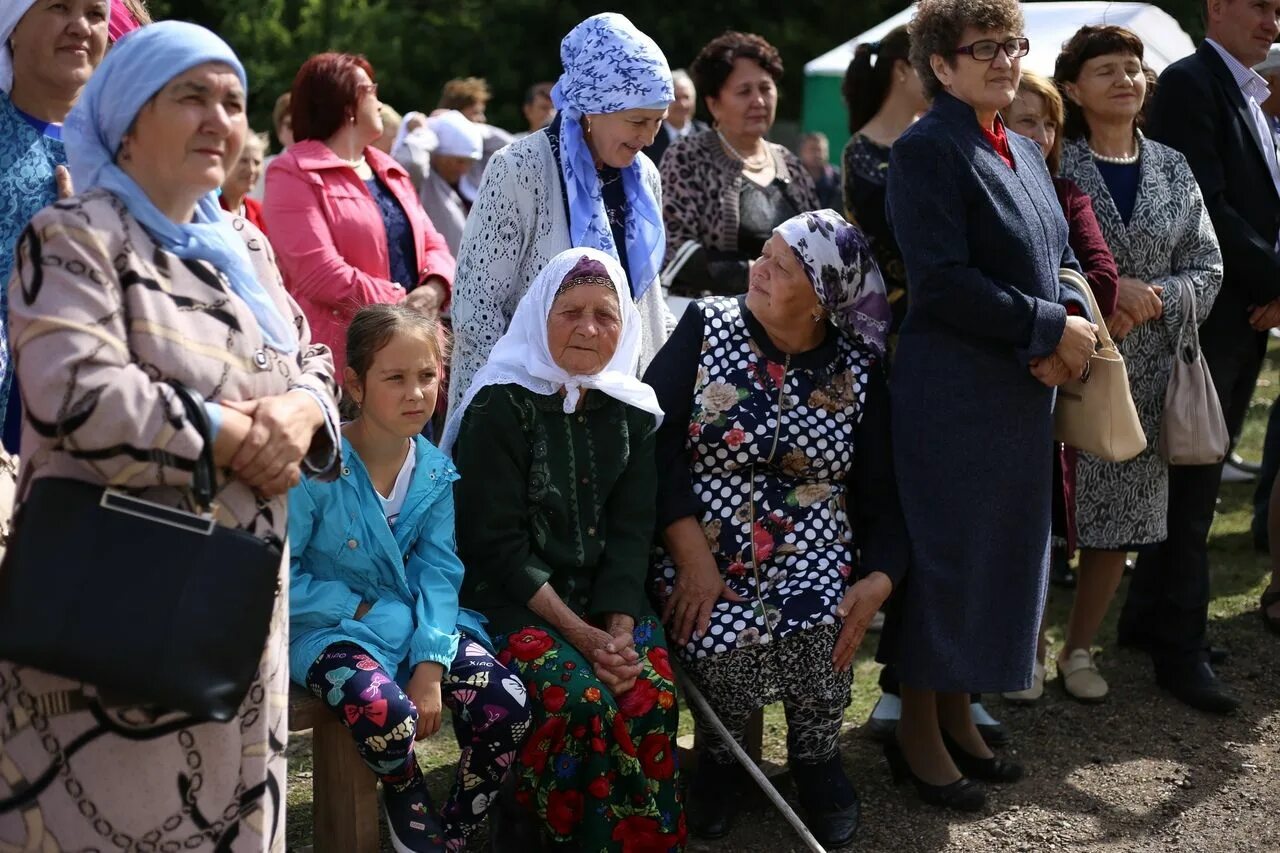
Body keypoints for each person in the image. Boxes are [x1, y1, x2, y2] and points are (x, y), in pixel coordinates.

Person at [0, 22, 340, 847]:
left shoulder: (246, 246)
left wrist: (302, 415)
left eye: (233, 101)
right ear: (126, 116)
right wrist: (231, 435)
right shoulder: (75, 235)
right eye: (191, 96)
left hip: (235, 622)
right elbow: (79, 391)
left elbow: (313, 359)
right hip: (110, 637)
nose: (219, 119)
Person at [883, 0, 1096, 811]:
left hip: (1020, 388)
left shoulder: (1014, 141)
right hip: (954, 394)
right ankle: (916, 735)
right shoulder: (928, 149)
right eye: (986, 48)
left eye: (1013, 45)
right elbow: (939, 283)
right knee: (949, 564)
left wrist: (1070, 318)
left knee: (996, 561)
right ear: (941, 65)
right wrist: (1048, 325)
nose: (1007, 60)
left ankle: (956, 717)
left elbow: (1058, 253)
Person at [646, 210, 903, 847]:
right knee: (719, 636)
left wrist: (880, 578)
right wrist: (691, 556)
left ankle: (818, 760)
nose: (757, 269)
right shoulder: (708, 326)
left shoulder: (858, 368)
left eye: (781, 266)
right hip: (699, 539)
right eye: (764, 253)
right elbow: (650, 442)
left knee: (824, 630)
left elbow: (881, 490)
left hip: (814, 544)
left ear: (820, 300)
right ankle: (721, 761)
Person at [447, 248, 684, 852]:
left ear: (625, 325)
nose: (588, 328)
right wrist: (583, 636)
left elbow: (634, 532)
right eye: (570, 311)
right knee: (576, 702)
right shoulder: (501, 404)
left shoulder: (632, 411)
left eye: (606, 315)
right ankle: (535, 832)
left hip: (607, 603)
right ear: (539, 315)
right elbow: (494, 545)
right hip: (510, 602)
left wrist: (620, 627)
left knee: (648, 690)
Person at [289, 304, 529, 852]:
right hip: (327, 630)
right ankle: (406, 791)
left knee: (507, 700)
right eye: (394, 378)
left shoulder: (435, 472)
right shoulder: (315, 466)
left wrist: (428, 665)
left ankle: (456, 833)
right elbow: (283, 573)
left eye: (427, 376)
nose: (415, 394)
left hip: (418, 623)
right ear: (354, 383)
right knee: (384, 711)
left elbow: (441, 573)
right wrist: (360, 610)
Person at [1055, 26, 1224, 705]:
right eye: (1106, 70)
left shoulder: (1175, 168)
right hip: (1064, 359)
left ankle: (1078, 648)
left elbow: (1207, 268)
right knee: (1045, 513)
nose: (1126, 79)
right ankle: (1012, 652)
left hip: (1149, 369)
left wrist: (1152, 300)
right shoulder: (1054, 164)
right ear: (1073, 88)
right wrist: (1102, 293)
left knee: (1120, 518)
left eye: (1134, 68)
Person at [1134, 0, 1280, 711]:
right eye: (1261, 6)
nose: (1274, 21)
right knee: (1193, 486)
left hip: (1236, 314)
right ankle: (1178, 651)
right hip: (1205, 319)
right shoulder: (1195, 85)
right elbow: (1209, 210)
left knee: (1193, 475)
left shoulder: (1245, 93)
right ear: (1217, 7)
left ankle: (1146, 621)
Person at [448, 13, 674, 413]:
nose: (649, 137)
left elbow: (645, 301)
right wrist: (506, 402)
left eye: (658, 121)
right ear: (592, 108)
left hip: (613, 402)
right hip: (525, 405)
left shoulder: (643, 176)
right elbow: (476, 307)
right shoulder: (519, 168)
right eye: (637, 120)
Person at [997, 68, 1123, 703]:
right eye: (1026, 120)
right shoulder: (985, 182)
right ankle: (1023, 647)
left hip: (1065, 378)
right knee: (1012, 524)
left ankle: (1059, 644)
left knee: (1059, 520)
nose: (1040, 133)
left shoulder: (1068, 193)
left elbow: (1098, 271)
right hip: (999, 376)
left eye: (1048, 122)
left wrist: (1061, 337)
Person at [264, 52, 456, 378]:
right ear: (345, 103)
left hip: (418, 359)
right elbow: (318, 272)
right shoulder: (291, 171)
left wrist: (435, 289)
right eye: (372, 91)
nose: (380, 104)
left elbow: (435, 245)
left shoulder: (389, 169)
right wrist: (402, 303)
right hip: (347, 364)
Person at [0, 0, 110, 452]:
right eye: (60, 6)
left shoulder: (132, 152)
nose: (80, 27)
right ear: (12, 28)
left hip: (93, 429)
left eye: (95, 14)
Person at [662, 31, 820, 298]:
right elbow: (673, 251)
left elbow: (818, 247)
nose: (758, 101)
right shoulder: (687, 157)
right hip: (715, 326)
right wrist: (757, 274)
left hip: (792, 326)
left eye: (765, 88)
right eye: (744, 91)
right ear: (713, 104)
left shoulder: (790, 165)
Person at [840, 25, 927, 335]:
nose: (943, 76)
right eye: (930, 64)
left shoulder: (939, 139)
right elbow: (889, 238)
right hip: (890, 319)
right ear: (902, 69)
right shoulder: (860, 152)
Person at [420, 109, 482, 256]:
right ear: (438, 154)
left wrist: (469, 125)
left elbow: (505, 143)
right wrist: (420, 128)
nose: (464, 169)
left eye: (469, 163)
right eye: (458, 161)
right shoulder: (424, 180)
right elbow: (412, 161)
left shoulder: (467, 182)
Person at [643, 69, 708, 167]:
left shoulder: (706, 135)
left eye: (686, 97)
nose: (682, 104)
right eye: (676, 98)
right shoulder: (648, 136)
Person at [220, 130, 269, 232]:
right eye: (243, 161)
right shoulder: (206, 209)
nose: (251, 169)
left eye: (257, 162)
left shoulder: (260, 212)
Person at [250, 90, 292, 200]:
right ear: (279, 129)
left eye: (303, 124)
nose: (298, 131)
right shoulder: (264, 167)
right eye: (291, 125)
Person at [798, 132, 842, 209]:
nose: (818, 154)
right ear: (802, 152)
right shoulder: (793, 178)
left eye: (822, 150)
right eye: (813, 149)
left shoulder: (838, 179)